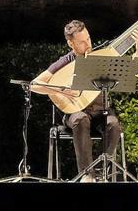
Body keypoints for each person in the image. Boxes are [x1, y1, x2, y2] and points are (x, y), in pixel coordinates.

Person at [31, 20, 131, 182]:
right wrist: (60, 89)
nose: (88, 44)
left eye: (89, 39)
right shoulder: (65, 61)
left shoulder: (99, 57)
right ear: (71, 43)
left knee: (114, 124)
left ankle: (100, 174)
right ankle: (87, 175)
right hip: (76, 112)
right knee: (80, 119)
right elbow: (35, 85)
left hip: (101, 111)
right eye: (82, 42)